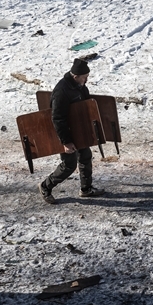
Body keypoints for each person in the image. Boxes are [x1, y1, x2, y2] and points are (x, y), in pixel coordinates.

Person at [39, 58, 105, 204]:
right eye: (84, 77)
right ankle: (45, 186)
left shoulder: (80, 86)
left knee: (85, 156)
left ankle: (86, 189)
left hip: (79, 131)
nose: (86, 80)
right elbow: (57, 118)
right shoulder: (61, 91)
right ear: (75, 76)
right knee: (69, 165)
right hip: (65, 133)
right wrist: (66, 142)